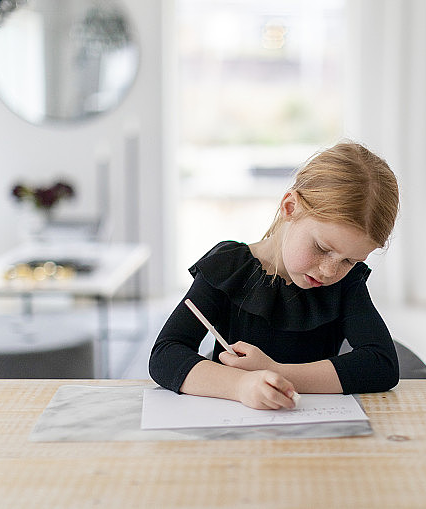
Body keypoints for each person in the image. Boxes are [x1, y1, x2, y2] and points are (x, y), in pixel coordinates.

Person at [149, 141, 400, 410]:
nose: (330, 271)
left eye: (350, 261)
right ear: (290, 207)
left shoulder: (346, 284)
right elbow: (166, 356)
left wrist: (276, 371)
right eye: (323, 248)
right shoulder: (229, 267)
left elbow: (381, 364)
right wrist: (240, 385)